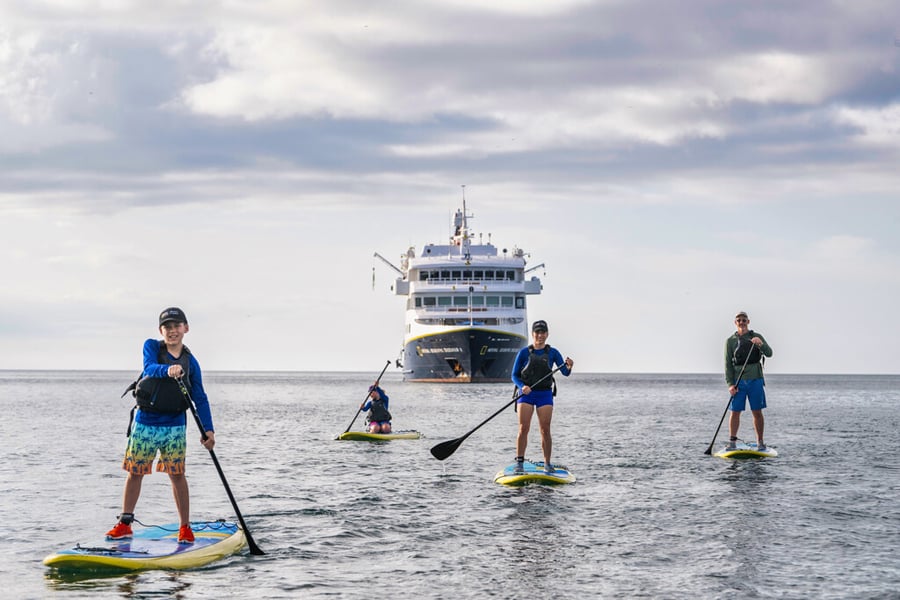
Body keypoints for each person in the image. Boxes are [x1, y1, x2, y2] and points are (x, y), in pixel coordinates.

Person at [106, 307, 216, 544]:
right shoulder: (152, 347)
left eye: (177, 326)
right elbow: (149, 368)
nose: (172, 331)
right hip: (146, 421)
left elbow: (200, 397)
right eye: (167, 327)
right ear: (160, 330)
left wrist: (209, 430)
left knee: (177, 475)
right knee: (135, 472)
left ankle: (185, 527)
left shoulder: (191, 362)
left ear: (186, 329)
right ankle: (125, 524)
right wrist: (168, 370)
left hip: (174, 425)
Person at [510, 320, 574, 473]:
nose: (540, 335)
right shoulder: (524, 353)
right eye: (537, 332)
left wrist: (569, 366)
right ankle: (520, 463)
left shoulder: (553, 353)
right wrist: (522, 387)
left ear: (547, 334)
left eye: (543, 332)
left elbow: (565, 372)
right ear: (533, 334)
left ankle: (547, 464)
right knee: (523, 428)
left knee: (545, 429)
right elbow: (514, 375)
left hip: (544, 394)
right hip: (526, 394)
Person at [724, 311, 773, 450]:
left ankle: (760, 442)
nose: (742, 322)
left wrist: (760, 344)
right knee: (735, 412)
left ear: (748, 322)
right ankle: (732, 442)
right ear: (735, 323)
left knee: (757, 411)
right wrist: (730, 384)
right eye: (739, 320)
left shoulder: (756, 336)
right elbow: (728, 364)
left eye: (744, 320)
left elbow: (769, 353)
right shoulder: (730, 341)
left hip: (755, 380)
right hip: (738, 382)